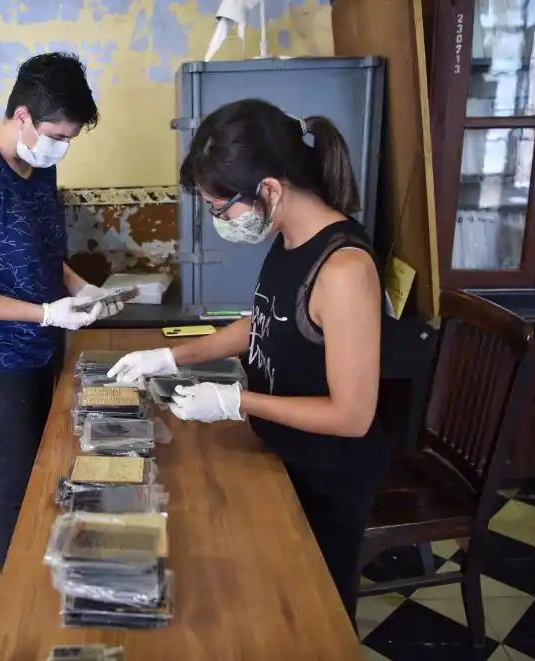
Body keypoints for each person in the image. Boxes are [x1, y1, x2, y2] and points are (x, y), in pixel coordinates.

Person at [108, 99, 390, 623]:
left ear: (270, 190)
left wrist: (236, 401)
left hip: (325, 477)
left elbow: (352, 416)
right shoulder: (288, 237)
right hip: (279, 454)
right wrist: (172, 355)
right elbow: (264, 321)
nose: (219, 220)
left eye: (221, 207)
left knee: (310, 616)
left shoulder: (344, 269)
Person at [0, 52, 122, 567]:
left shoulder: (36, 163)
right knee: (20, 486)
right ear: (21, 117)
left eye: (68, 139)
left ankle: (51, 576)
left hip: (39, 344)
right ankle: (18, 620)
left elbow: (40, 251)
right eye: (57, 136)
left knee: (52, 464)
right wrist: (43, 315)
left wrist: (81, 288)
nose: (61, 148)